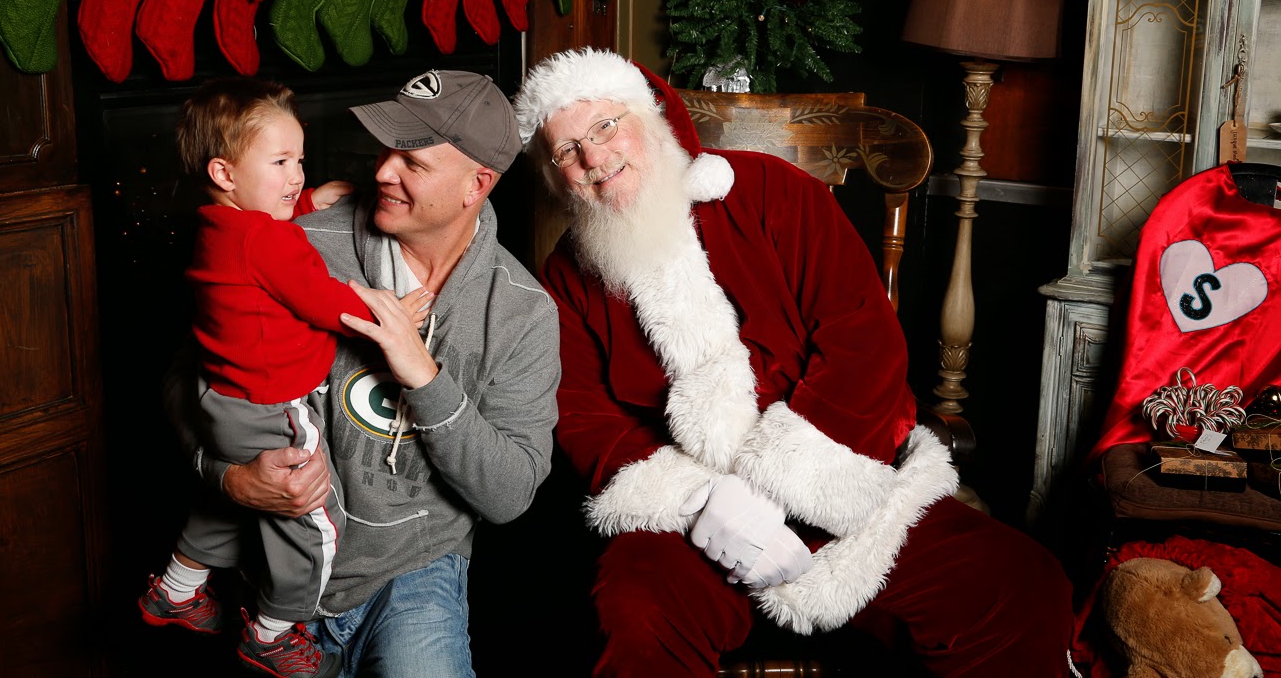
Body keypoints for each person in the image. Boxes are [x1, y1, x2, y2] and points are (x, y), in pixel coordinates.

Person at [513, 49, 1076, 677]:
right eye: (566, 151)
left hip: (844, 483)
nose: (592, 158)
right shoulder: (566, 277)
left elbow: (862, 340)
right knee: (633, 612)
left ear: (650, 118)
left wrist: (768, 490)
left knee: (1021, 584)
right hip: (695, 526)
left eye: (605, 126)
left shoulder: (774, 191)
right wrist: (705, 503)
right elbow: (586, 419)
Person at [175, 69, 561, 678]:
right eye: (385, 149)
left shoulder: (521, 311)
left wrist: (425, 379)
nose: (381, 171)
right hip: (276, 574)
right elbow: (184, 388)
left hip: (414, 572)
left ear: (477, 184)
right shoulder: (289, 243)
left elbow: (510, 494)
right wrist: (229, 478)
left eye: (413, 161)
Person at [142, 78, 431, 678]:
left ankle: (177, 587)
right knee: (315, 519)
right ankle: (272, 633)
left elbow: (258, 240)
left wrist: (306, 202)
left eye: (299, 160)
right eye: (281, 163)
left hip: (223, 399)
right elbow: (320, 298)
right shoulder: (266, 241)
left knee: (229, 503)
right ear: (224, 173)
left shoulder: (218, 225)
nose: (297, 175)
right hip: (274, 406)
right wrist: (391, 316)